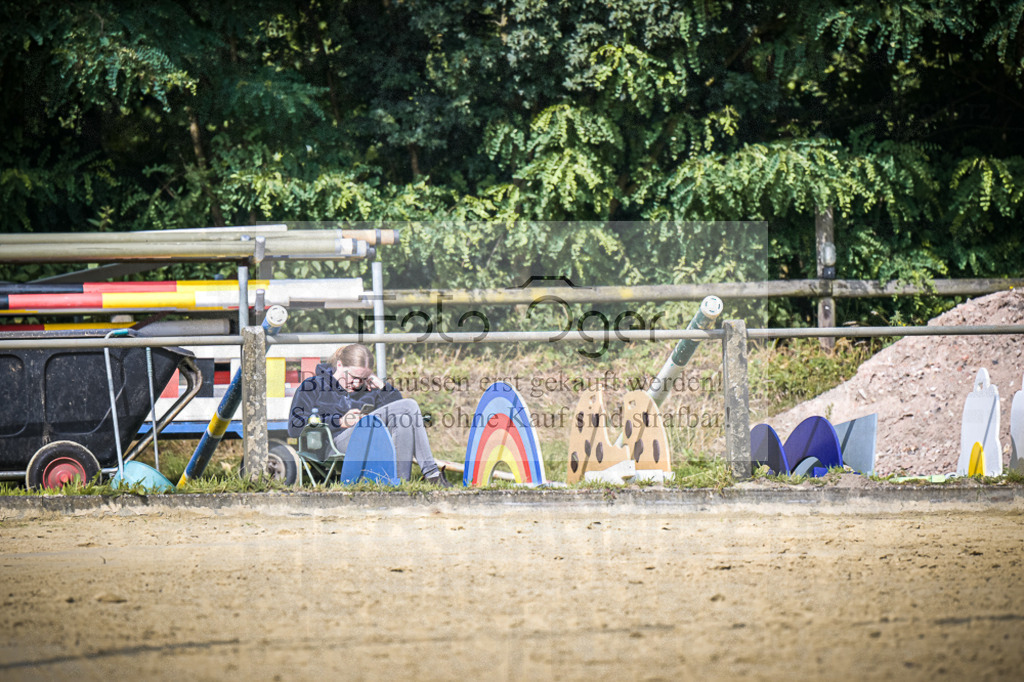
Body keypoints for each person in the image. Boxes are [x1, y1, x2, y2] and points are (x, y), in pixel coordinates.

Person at [288, 343, 451, 486]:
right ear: (339, 365)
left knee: (404, 418)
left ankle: (401, 484)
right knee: (410, 405)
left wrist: (382, 387)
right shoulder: (312, 385)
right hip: (333, 443)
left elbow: (398, 411)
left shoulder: (368, 389)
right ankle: (432, 474)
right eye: (353, 377)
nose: (357, 383)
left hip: (370, 438)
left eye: (363, 378)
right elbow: (295, 427)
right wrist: (339, 422)